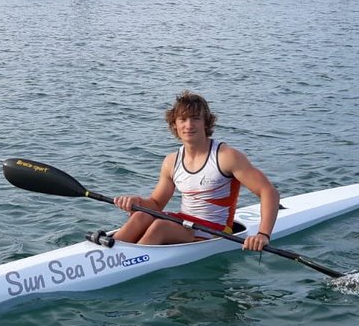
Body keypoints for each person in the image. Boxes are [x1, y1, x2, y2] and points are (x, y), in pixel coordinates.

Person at [113, 91, 278, 251]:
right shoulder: (171, 161)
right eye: (183, 119)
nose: (189, 125)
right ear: (174, 124)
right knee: (141, 215)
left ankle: (130, 259)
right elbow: (156, 204)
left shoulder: (226, 157)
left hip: (215, 229)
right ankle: (111, 249)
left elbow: (268, 191)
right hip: (185, 224)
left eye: (195, 118)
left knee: (159, 227)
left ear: (206, 122)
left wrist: (263, 234)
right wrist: (138, 203)